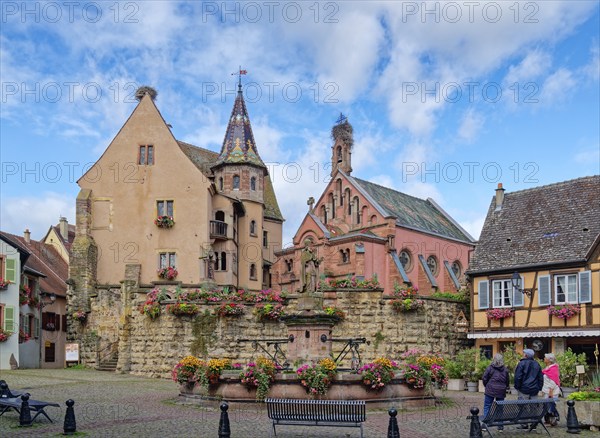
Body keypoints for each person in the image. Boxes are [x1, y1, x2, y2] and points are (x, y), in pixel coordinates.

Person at [513, 349, 544, 430]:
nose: (522, 354)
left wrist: (517, 387)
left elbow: (518, 377)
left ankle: (524, 423)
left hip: (524, 389)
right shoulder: (537, 364)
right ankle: (534, 424)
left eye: (523, 353)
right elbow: (540, 377)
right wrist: (539, 387)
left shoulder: (521, 363)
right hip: (534, 389)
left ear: (526, 355)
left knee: (523, 406)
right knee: (533, 406)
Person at [481, 353, 510, 432]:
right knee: (500, 408)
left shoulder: (490, 368)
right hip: (501, 390)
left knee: (487, 407)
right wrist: (505, 387)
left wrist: (487, 385)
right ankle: (500, 426)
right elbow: (507, 381)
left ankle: (485, 425)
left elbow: (484, 378)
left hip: (490, 390)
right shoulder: (505, 369)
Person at [541, 353, 561, 426]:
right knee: (547, 406)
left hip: (552, 391)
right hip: (546, 390)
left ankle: (553, 420)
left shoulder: (553, 369)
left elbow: (553, 381)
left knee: (551, 406)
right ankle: (548, 420)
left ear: (549, 360)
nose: (544, 358)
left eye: (545, 357)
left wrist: (550, 391)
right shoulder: (548, 368)